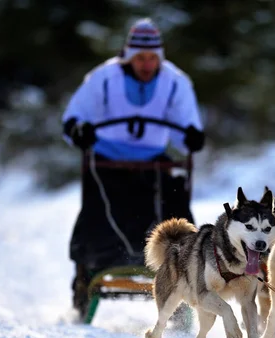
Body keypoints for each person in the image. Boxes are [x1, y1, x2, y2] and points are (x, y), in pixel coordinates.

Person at [61, 18, 205, 319]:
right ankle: (92, 268)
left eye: (152, 58)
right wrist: (78, 131)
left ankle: (180, 266)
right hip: (107, 161)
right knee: (98, 206)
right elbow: (74, 117)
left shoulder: (175, 82)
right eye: (140, 57)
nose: (146, 64)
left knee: (175, 197)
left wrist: (191, 135)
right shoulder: (103, 78)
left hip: (153, 159)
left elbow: (185, 129)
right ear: (128, 56)